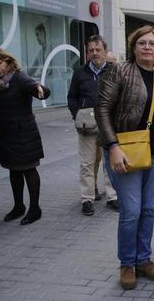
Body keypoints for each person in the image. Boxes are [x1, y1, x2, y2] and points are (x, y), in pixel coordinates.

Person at [95, 25, 154, 290]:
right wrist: (112, 146)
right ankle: (127, 263)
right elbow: (102, 109)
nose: (148, 47)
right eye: (142, 43)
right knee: (131, 212)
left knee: (148, 210)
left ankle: (143, 259)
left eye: (153, 43)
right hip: (125, 151)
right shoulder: (118, 71)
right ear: (134, 47)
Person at [0, 48, 50, 225]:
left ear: (7, 61)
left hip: (23, 134)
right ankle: (18, 206)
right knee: (13, 170)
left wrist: (39, 89)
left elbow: (38, 89)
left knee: (28, 169)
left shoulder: (19, 77)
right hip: (4, 135)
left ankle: (35, 208)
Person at [67, 35, 118, 216]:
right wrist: (77, 115)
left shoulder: (114, 71)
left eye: (98, 50)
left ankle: (113, 197)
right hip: (86, 125)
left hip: (109, 124)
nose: (94, 53)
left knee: (109, 162)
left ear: (105, 51)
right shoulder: (80, 72)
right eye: (91, 50)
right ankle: (87, 199)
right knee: (87, 163)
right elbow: (72, 97)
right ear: (87, 52)